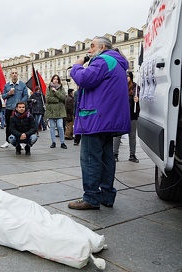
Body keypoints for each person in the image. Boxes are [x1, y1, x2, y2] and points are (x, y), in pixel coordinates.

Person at [68, 36, 130, 210]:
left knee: (90, 159)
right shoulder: (117, 62)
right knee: (106, 158)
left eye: (92, 46)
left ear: (102, 46)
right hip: (107, 119)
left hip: (95, 118)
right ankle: (107, 195)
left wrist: (77, 65)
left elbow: (84, 79)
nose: (89, 50)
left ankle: (91, 198)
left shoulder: (103, 60)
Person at [113, 71, 140, 163]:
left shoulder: (136, 87)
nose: (126, 78)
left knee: (132, 136)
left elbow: (142, 98)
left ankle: (132, 155)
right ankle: (114, 154)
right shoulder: (119, 86)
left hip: (132, 114)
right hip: (121, 114)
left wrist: (138, 100)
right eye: (125, 76)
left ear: (131, 77)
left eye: (128, 76)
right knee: (118, 135)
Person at [0, 68, 28, 148]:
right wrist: (8, 93)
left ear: (17, 74)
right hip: (9, 108)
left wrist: (20, 104)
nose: (14, 74)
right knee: (8, 125)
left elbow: (26, 95)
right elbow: (3, 96)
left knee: (20, 126)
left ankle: (21, 142)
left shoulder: (22, 85)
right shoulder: (7, 85)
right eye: (13, 73)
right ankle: (7, 141)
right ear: (11, 75)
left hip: (19, 109)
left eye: (16, 73)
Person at [45, 74, 67, 149]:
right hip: (51, 110)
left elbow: (63, 97)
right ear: (52, 80)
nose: (55, 80)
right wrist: (57, 100)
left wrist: (56, 92)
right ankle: (53, 142)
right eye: (54, 79)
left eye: (57, 79)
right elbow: (47, 98)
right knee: (52, 127)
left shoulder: (61, 88)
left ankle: (62, 142)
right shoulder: (48, 88)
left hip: (60, 110)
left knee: (60, 126)